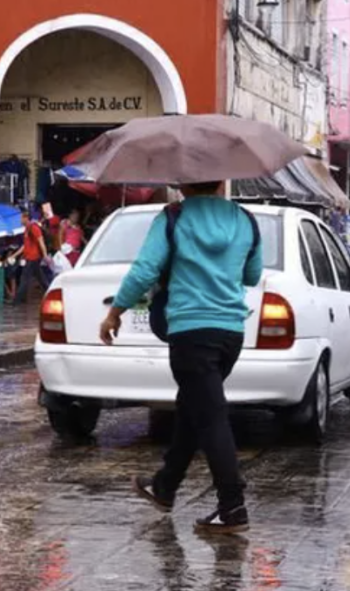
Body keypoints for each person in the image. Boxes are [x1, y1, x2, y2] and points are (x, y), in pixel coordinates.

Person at [100, 181, 262, 534]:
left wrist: (115, 312)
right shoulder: (246, 220)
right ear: (221, 182)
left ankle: (232, 506)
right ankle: (165, 486)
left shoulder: (173, 217)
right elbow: (252, 275)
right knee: (194, 407)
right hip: (230, 333)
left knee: (211, 415)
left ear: (182, 183)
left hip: (191, 332)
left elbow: (145, 270)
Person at [15, 210, 51, 304]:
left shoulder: (34, 228)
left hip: (33, 258)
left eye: (21, 218)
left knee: (24, 279)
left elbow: (41, 242)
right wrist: (16, 255)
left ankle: (16, 301)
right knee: (41, 279)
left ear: (26, 218)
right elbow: (25, 246)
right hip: (30, 258)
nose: (19, 220)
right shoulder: (27, 229)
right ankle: (50, 292)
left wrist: (45, 255)